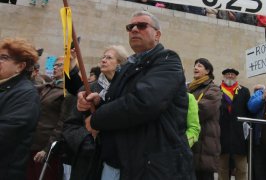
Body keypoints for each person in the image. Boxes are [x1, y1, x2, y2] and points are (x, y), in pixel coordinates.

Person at [77, 10, 194, 179]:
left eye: (141, 25)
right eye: (130, 26)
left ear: (157, 34)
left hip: (152, 166)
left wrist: (96, 119)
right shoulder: (127, 66)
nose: (134, 29)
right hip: (117, 162)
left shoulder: (168, 61)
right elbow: (118, 101)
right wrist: (96, 102)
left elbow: (144, 102)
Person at [63, 45, 129, 180]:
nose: (103, 60)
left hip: (116, 158)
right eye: (103, 57)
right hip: (89, 159)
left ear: (120, 64)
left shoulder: (127, 90)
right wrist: (88, 141)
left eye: (109, 57)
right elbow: (70, 124)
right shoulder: (88, 88)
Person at [27, 56, 75, 180]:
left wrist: (47, 149)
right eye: (54, 65)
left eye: (59, 65)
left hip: (45, 147)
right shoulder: (48, 86)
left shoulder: (67, 92)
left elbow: (62, 122)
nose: (55, 67)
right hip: (32, 142)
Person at [0, 38, 40, 180]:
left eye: (4, 58)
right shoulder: (4, 86)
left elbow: (7, 133)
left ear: (20, 66)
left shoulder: (26, 93)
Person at [187, 58, 221, 180]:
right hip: (191, 139)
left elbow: (203, 109)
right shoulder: (188, 88)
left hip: (205, 141)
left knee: (203, 175)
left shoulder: (214, 89)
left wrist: (185, 110)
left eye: (200, 66)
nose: (196, 67)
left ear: (207, 71)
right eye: (195, 65)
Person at [218, 68, 250, 180]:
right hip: (222, 134)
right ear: (224, 76)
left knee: (241, 169)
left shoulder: (244, 91)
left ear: (236, 77)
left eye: (232, 74)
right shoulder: (217, 90)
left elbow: (248, 111)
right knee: (222, 168)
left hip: (239, 135)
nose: (230, 76)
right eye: (228, 74)